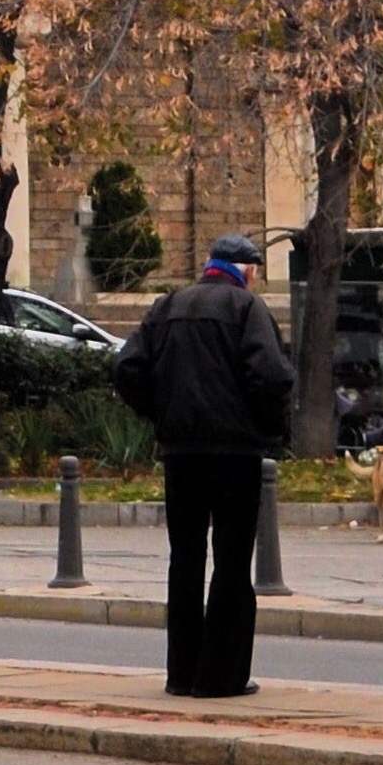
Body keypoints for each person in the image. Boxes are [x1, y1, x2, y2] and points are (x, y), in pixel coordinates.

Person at [109, 233, 297, 699]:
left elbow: (127, 367)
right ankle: (221, 676)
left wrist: (163, 413)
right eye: (255, 270)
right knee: (232, 562)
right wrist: (266, 427)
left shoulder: (169, 305)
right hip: (236, 454)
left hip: (181, 453)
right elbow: (271, 377)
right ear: (246, 270)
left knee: (186, 560)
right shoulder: (246, 309)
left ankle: (181, 673)